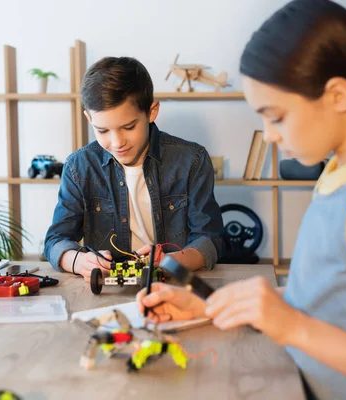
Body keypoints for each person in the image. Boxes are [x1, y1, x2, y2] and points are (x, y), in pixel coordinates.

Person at [137, 0, 346, 398]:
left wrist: (291, 325)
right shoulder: (338, 175)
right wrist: (210, 306)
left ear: (338, 94)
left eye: (275, 116)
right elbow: (334, 300)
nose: (269, 134)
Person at [44, 56, 224, 281]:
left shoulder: (192, 160)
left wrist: (171, 261)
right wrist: (79, 261)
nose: (117, 142)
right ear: (89, 119)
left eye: (128, 127)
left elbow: (211, 240)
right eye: (102, 131)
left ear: (152, 111)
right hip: (105, 291)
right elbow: (55, 241)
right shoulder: (78, 167)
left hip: (171, 286)